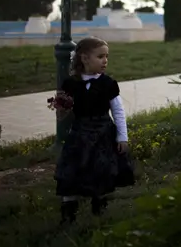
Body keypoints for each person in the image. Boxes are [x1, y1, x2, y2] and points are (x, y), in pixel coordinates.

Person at [54, 36, 134, 224]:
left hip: (102, 134)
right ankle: (68, 211)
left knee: (101, 170)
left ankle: (99, 207)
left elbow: (118, 112)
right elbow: (61, 116)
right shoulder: (70, 84)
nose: (105, 60)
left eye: (107, 56)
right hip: (80, 135)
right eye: (100, 56)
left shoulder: (108, 84)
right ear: (84, 58)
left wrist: (123, 137)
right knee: (71, 170)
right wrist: (61, 106)